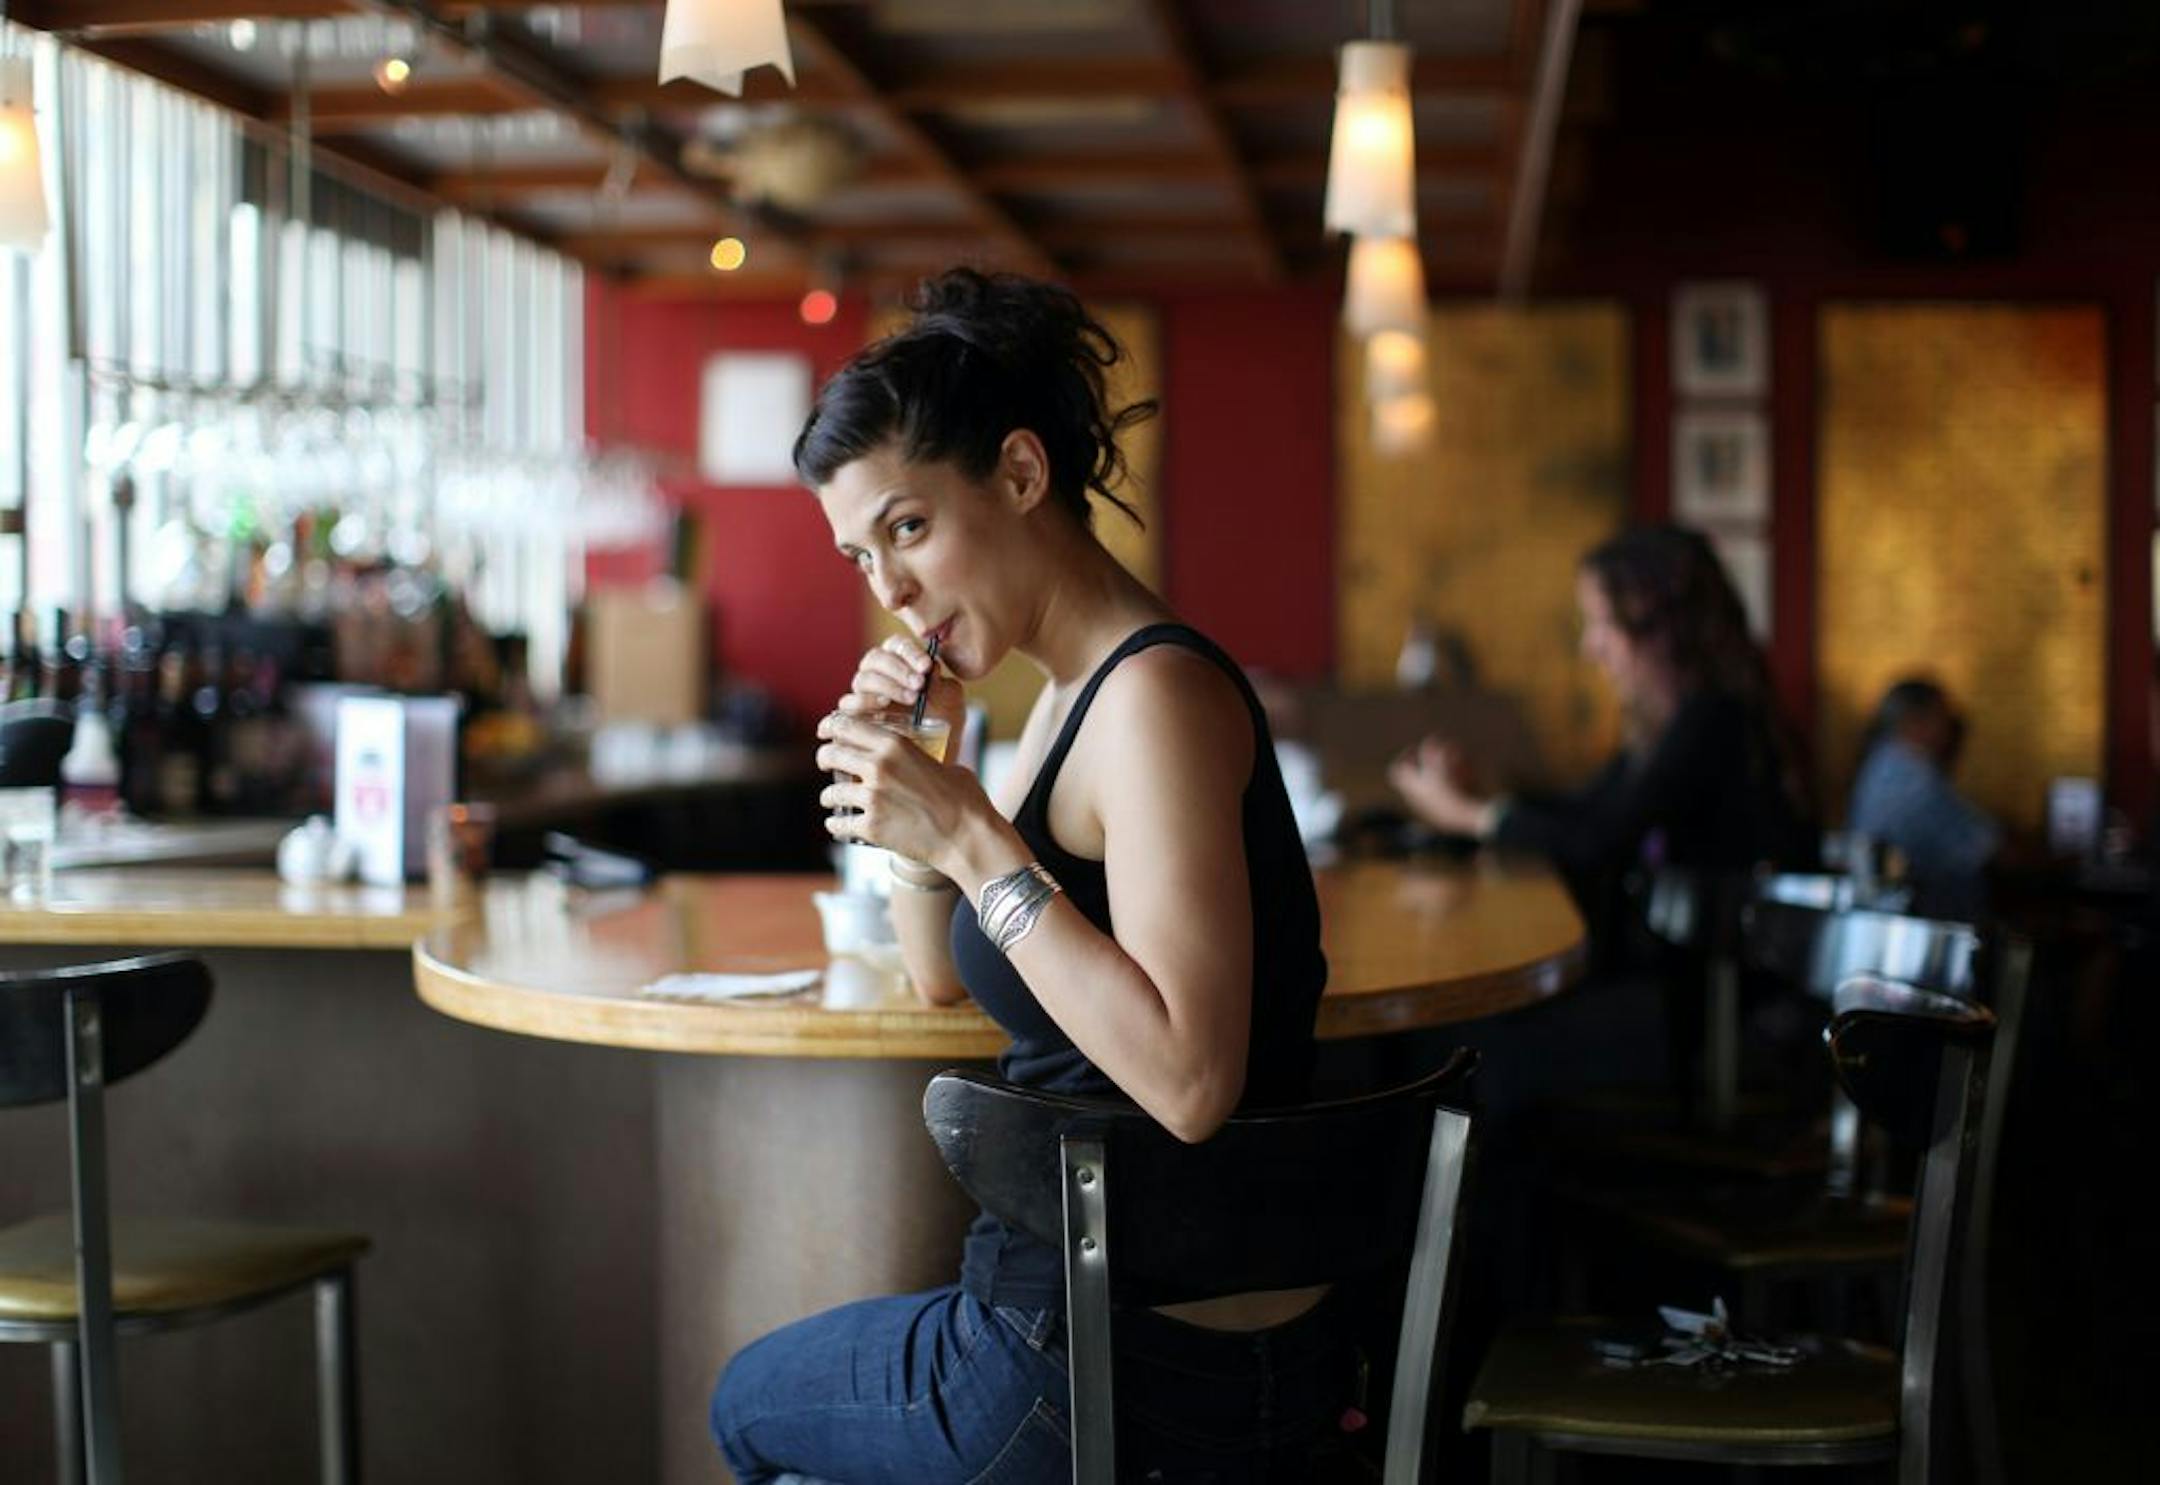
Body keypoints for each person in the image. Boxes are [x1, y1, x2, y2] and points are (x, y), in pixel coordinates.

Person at [707, 269, 1336, 1484]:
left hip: (1116, 1356)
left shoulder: (1152, 697)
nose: (886, 590)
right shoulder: (1052, 703)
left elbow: (1194, 1081)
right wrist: (928, 788)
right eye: (858, 553)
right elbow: (939, 978)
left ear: (1022, 475)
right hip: (1111, 1335)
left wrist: (977, 837)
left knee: (743, 1406)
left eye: (907, 527)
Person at [1388, 523, 1815, 935]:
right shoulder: (1670, 725)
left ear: (1661, 628)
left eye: (1603, 623)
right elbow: (1586, 809)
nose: (1590, 646)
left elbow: (1599, 842)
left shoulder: (1714, 719)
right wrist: (1480, 799)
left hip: (1704, 992)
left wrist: (1466, 815)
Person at [1846, 676, 2001, 919]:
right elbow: (1987, 849)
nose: (1948, 730)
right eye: (1942, 717)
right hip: (1923, 928)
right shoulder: (1913, 776)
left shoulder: (1881, 763)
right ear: (1914, 720)